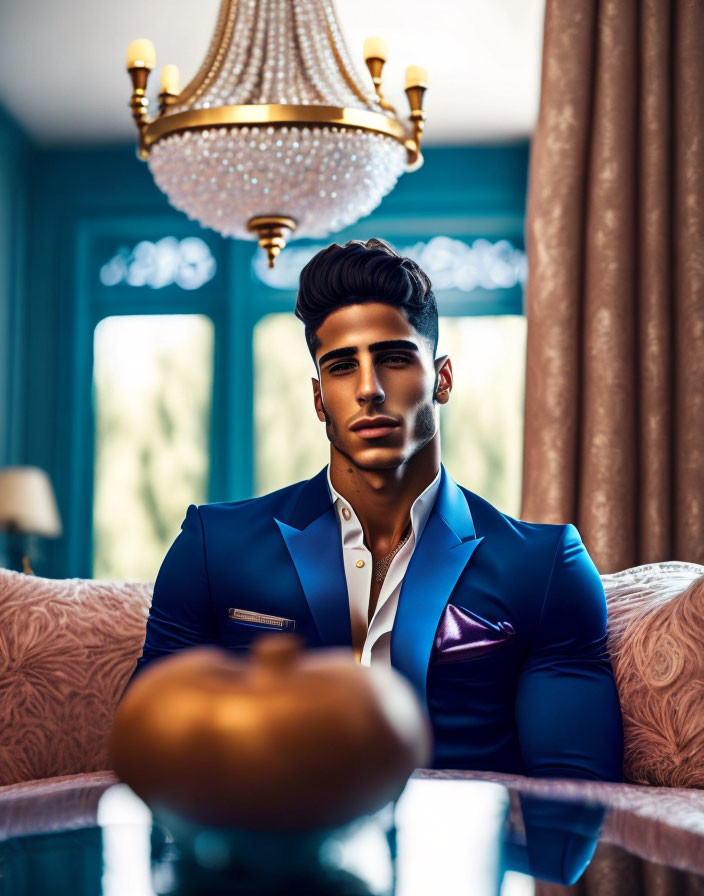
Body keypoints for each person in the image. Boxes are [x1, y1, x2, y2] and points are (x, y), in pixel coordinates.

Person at [133, 237, 623, 780]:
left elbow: (576, 799)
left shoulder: (546, 565)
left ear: (442, 378)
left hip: (456, 858)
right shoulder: (212, 546)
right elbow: (152, 752)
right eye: (342, 367)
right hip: (266, 856)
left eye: (393, 358)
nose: (369, 389)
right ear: (319, 399)